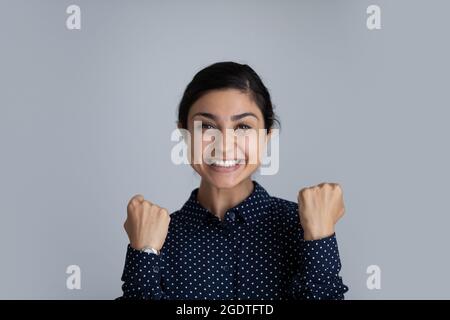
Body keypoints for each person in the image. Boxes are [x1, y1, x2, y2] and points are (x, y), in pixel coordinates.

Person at [118, 61, 348, 300]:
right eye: (206, 126)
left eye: (242, 127)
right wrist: (144, 254)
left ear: (267, 136)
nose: (224, 146)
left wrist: (320, 238)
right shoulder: (155, 238)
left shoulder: (303, 227)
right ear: (184, 135)